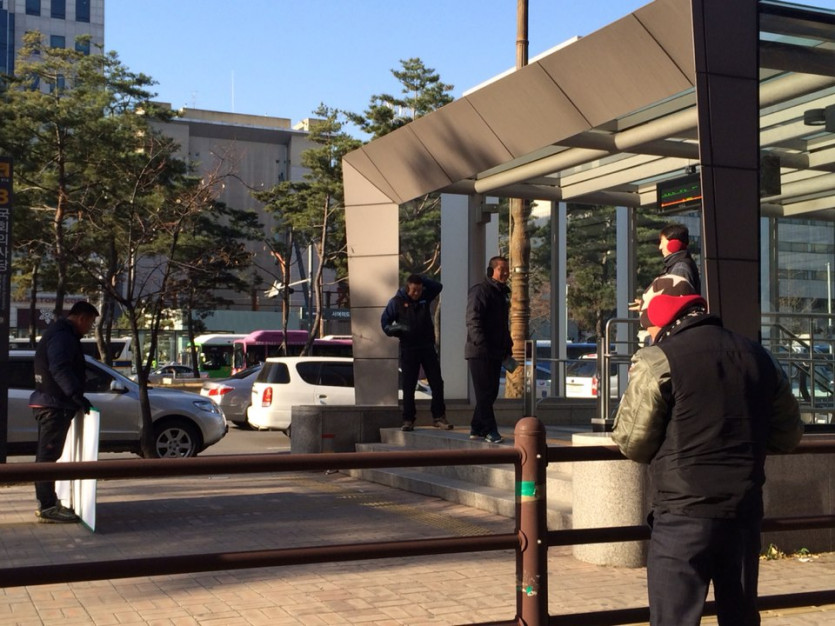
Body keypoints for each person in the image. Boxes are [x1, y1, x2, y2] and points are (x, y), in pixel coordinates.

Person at [612, 293, 803, 626]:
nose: (649, 336)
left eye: (650, 330)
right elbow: (788, 435)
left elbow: (632, 442)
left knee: (674, 619)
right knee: (740, 617)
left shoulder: (659, 360)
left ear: (664, 325)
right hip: (743, 511)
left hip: (682, 514)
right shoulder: (760, 357)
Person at [29, 301, 100, 524]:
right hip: (54, 405)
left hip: (49, 402)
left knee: (48, 456)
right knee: (47, 457)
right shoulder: (63, 336)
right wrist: (76, 394)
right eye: (90, 323)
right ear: (82, 318)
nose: (90, 328)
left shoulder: (59, 332)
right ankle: (48, 507)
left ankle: (48, 503)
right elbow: (59, 367)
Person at [381, 274, 451, 431]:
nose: (417, 293)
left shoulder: (424, 297)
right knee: (409, 385)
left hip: (427, 347)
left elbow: (438, 287)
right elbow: (385, 323)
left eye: (419, 290)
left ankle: (439, 417)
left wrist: (421, 278)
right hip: (409, 348)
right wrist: (397, 329)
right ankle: (408, 420)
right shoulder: (396, 302)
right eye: (414, 290)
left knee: (437, 383)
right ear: (407, 288)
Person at [465, 256, 512, 444]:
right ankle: (490, 430)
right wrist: (481, 343)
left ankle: (476, 427)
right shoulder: (480, 291)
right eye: (501, 269)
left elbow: (502, 325)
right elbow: (473, 320)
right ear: (491, 271)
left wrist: (507, 345)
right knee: (484, 392)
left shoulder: (502, 293)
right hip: (479, 351)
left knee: (491, 392)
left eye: (507, 269)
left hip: (495, 351)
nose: (506, 273)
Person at [630, 223, 701, 315]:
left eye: (662, 242)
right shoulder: (678, 265)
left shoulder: (680, 268)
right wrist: (648, 304)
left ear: (674, 244)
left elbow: (673, 303)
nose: (660, 247)